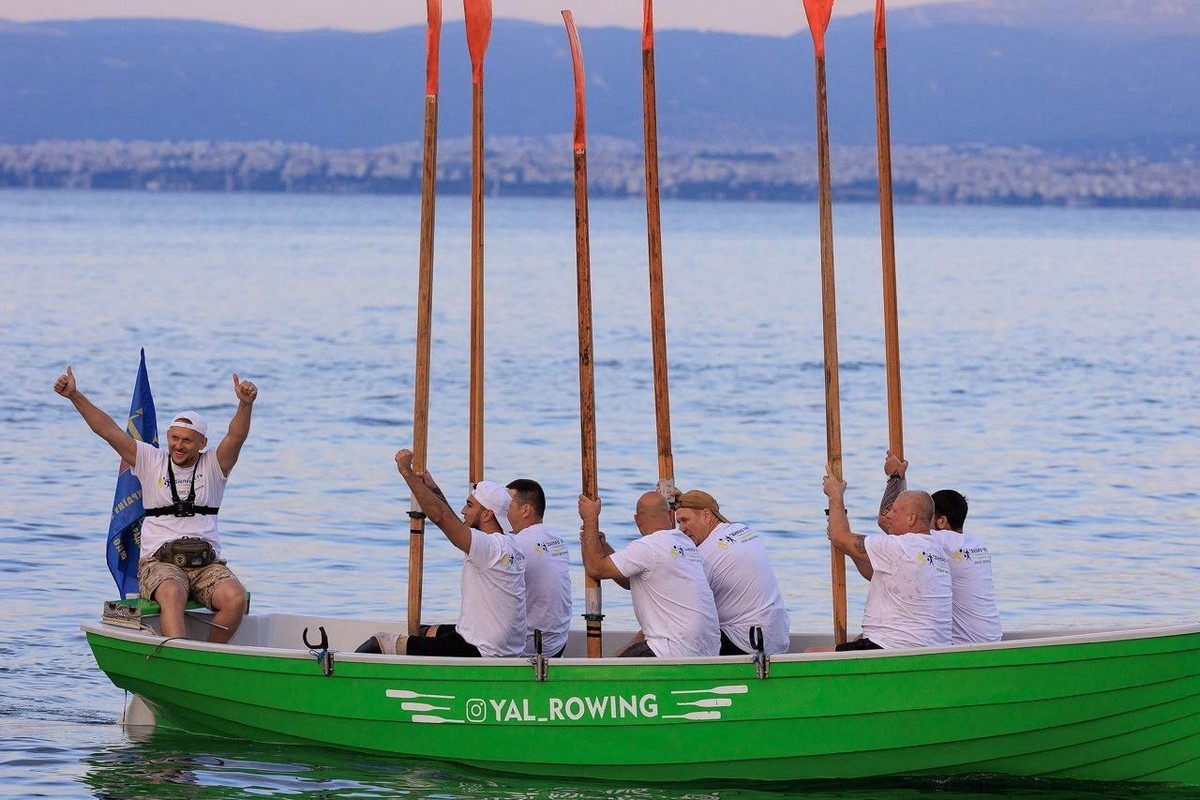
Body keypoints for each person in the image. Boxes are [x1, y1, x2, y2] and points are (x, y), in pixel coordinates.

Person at [54, 365, 255, 643]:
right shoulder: (151, 460)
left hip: (205, 564)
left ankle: (209, 656)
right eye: (174, 438)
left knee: (235, 598)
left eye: (187, 441)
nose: (178, 446)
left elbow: (236, 437)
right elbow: (108, 430)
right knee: (173, 591)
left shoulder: (215, 464)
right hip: (158, 563)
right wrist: (75, 395)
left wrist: (245, 405)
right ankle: (180, 657)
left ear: (202, 443)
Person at [360, 449, 526, 657]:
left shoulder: (489, 548)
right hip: (497, 643)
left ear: (487, 514)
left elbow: (441, 518)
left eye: (469, 505)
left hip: (481, 650)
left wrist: (406, 473)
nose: (463, 511)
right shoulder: (509, 543)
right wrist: (432, 487)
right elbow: (453, 520)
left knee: (380, 643)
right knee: (426, 632)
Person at [578, 491, 720, 658]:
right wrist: (604, 546)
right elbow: (630, 582)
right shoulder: (685, 543)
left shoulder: (648, 546)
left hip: (672, 649)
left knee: (610, 671)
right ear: (670, 515)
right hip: (707, 650)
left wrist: (589, 519)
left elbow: (595, 568)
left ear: (636, 520)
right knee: (622, 655)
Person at [879, 455, 1001, 644]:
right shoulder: (978, 544)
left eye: (928, 518)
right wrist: (902, 481)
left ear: (942, 521)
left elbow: (889, 522)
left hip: (965, 645)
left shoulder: (942, 541)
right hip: (992, 637)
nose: (923, 523)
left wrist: (895, 477)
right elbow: (908, 526)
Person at [824, 469, 951, 650]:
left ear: (911, 518)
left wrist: (835, 495)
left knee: (806, 656)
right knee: (856, 640)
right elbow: (875, 574)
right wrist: (850, 549)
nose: (889, 515)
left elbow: (839, 537)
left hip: (892, 647)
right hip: (926, 646)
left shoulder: (900, 546)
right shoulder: (934, 548)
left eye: (895, 510)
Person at [673, 489, 791, 655]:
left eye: (685, 520)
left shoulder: (705, 557)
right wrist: (683, 501)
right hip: (777, 637)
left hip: (746, 645)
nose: (681, 529)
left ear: (706, 515)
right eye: (679, 523)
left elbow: (679, 606)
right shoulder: (742, 529)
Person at [506, 479, 572, 658]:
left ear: (525, 510)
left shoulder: (518, 544)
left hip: (530, 647)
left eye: (507, 506)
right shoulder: (556, 538)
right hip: (558, 642)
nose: (503, 512)